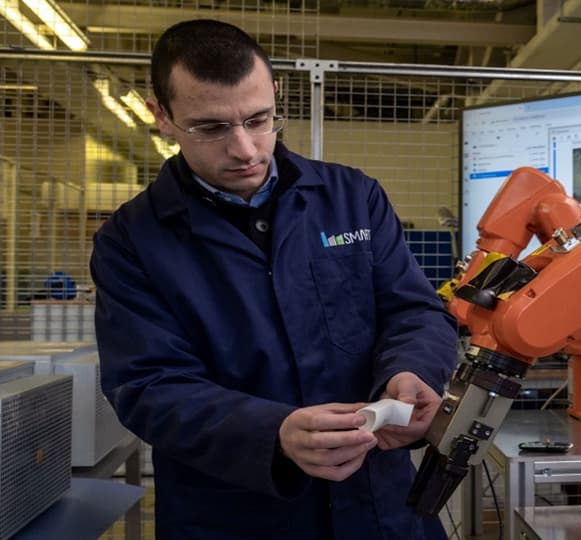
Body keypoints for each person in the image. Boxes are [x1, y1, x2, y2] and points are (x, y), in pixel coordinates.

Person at [89, 19, 458, 540]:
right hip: (233, 515)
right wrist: (273, 434)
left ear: (276, 96)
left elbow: (414, 310)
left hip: (378, 504)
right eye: (211, 127)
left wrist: (414, 371)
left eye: (259, 119)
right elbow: (149, 386)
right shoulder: (132, 241)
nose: (245, 149)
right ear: (162, 117)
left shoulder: (352, 197)